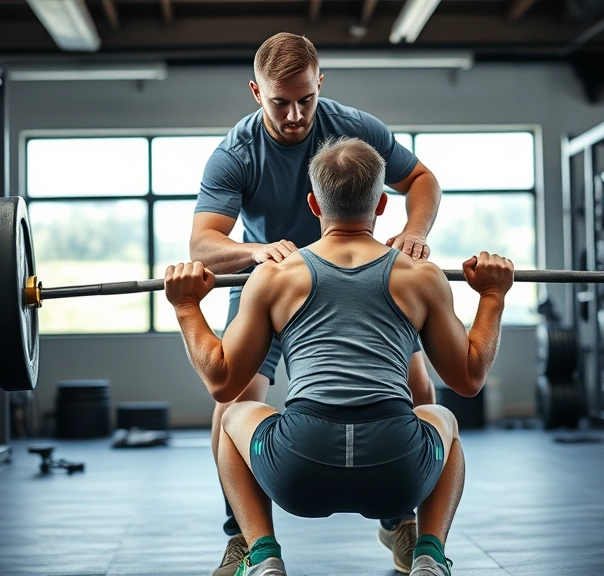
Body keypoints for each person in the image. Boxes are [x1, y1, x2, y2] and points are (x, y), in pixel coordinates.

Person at [167, 136, 513, 576]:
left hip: (298, 472)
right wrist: (492, 296)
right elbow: (468, 379)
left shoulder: (274, 277)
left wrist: (185, 306)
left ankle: (261, 554)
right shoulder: (422, 277)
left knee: (234, 414)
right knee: (443, 419)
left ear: (313, 204)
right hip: (396, 473)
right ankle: (429, 553)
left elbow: (222, 381)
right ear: (383, 205)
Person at [190, 32, 444, 575]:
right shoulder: (236, 153)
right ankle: (244, 540)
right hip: (270, 283)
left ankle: (401, 523)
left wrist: (414, 231)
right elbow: (203, 245)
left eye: (305, 98)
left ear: (319, 82)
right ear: (256, 91)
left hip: (354, 279)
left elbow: (420, 178)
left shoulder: (353, 125)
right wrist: (256, 250)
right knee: (230, 401)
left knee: (421, 390)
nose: (294, 114)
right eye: (279, 102)